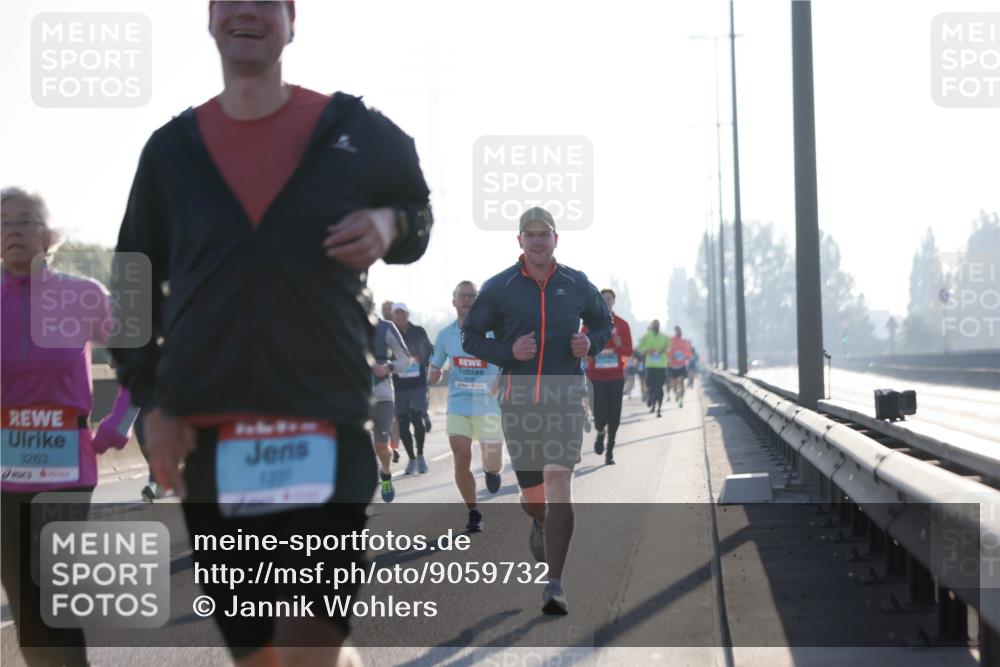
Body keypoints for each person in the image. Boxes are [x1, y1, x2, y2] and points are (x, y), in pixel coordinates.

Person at [110, 3, 433, 665]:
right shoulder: (171, 152)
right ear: (210, 18)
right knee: (258, 655)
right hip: (211, 441)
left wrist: (389, 223)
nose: (247, 10)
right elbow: (132, 284)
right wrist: (153, 397)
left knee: (308, 641)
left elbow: (418, 212)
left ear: (292, 19)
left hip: (324, 427)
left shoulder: (355, 130)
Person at [2, 186, 137, 667]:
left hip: (66, 467)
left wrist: (118, 425)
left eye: (26, 220)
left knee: (53, 594)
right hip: (4, 470)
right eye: (4, 222)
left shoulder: (82, 295)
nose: (14, 229)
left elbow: (137, 360)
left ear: (50, 234)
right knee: (25, 602)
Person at [462, 206, 611, 615]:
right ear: (520, 241)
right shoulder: (500, 287)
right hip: (519, 398)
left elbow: (604, 323)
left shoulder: (576, 283)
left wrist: (590, 344)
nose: (538, 240)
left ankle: (555, 584)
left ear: (556, 239)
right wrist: (506, 350)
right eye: (530, 234)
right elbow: (470, 336)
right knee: (533, 495)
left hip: (564, 396)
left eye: (545, 234)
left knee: (559, 478)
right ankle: (540, 522)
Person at [428, 280, 504, 533]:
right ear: (454, 301)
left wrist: (498, 380)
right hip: (458, 403)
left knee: (492, 460)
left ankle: (491, 471)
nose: (467, 300)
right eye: (463, 296)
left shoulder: (493, 333)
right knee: (461, 456)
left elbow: (506, 362)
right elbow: (436, 364)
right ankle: (473, 511)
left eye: (472, 296)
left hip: (488, 404)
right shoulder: (445, 335)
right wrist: (434, 373)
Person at [583, 289, 633, 465]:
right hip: (595, 376)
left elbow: (628, 351)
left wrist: (618, 344)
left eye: (609, 298)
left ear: (613, 301)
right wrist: (589, 352)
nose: (606, 301)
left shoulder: (622, 324)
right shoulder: (589, 324)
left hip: (615, 375)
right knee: (598, 413)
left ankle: (609, 451)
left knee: (614, 416)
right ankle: (600, 431)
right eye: (603, 298)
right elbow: (582, 347)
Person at [371, 316, 412, 502]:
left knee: (380, 447)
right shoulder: (341, 324)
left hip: (383, 396)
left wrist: (388, 367)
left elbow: (406, 359)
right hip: (353, 397)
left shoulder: (385, 327)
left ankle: (386, 474)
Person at [391, 303, 434, 474]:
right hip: (399, 385)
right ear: (393, 316)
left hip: (418, 383)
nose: (400, 316)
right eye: (397, 314)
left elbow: (429, 349)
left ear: (407, 314)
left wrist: (428, 364)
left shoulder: (418, 331)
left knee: (416, 417)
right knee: (402, 423)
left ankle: (421, 455)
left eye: (403, 313)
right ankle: (411, 459)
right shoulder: (391, 333)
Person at [380, 300, 402, 462]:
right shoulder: (376, 328)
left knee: (395, 415)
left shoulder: (393, 327)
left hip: (399, 378)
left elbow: (409, 356)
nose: (387, 312)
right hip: (384, 380)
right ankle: (388, 446)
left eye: (390, 309)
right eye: (385, 309)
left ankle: (393, 445)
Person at [637, 319, 670, 417]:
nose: (655, 326)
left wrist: (665, 350)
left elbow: (669, 348)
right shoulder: (646, 336)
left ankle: (659, 409)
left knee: (659, 387)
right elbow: (640, 348)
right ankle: (651, 402)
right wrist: (647, 350)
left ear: (659, 326)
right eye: (654, 324)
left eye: (657, 324)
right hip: (650, 366)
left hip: (661, 366)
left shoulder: (664, 336)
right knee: (650, 386)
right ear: (651, 326)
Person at [667, 326, 693, 408]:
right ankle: (676, 394)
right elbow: (667, 352)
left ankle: (681, 400)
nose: (678, 332)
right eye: (676, 331)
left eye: (679, 331)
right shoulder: (670, 341)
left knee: (681, 383)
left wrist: (685, 356)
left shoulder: (684, 342)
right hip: (672, 366)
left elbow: (689, 353)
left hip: (681, 365)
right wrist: (671, 356)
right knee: (674, 386)